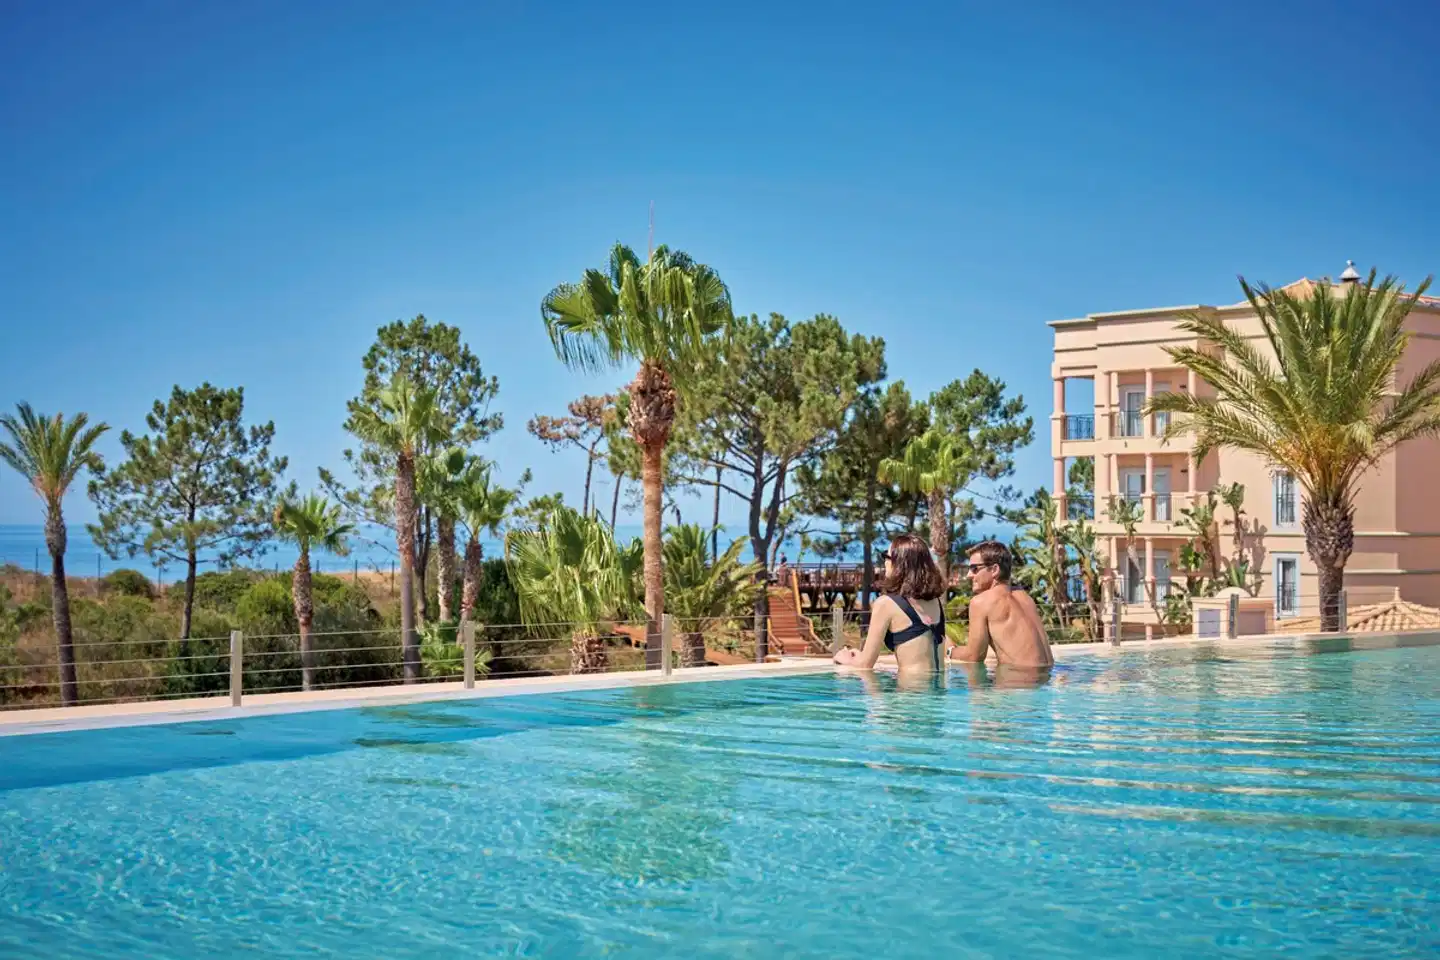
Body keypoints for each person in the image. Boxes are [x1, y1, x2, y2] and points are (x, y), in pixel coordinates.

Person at [833, 534, 946, 675]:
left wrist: (843, 656)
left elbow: (865, 665)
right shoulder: (936, 602)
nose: (885, 562)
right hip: (939, 692)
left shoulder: (886, 604)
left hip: (910, 695)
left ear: (899, 563)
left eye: (886, 556)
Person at [950, 540, 1054, 669]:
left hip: (1019, 683)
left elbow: (974, 657)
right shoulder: (1026, 598)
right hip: (1046, 677)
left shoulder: (981, 601)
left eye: (974, 569)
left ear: (994, 570)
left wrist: (950, 650)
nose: (969, 575)